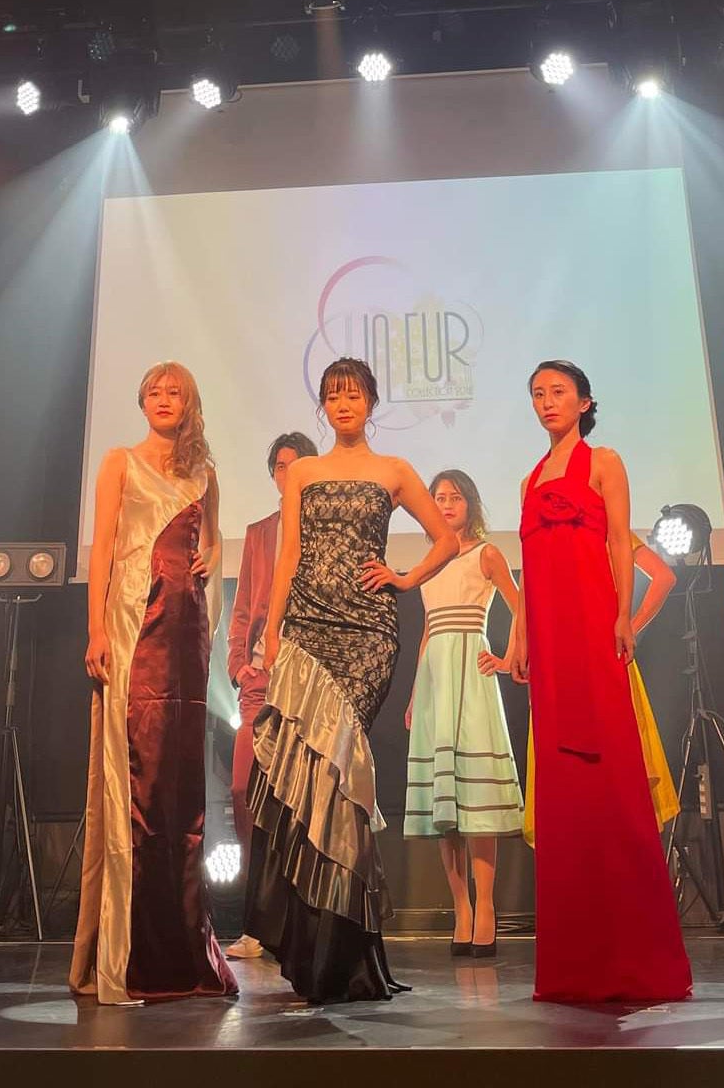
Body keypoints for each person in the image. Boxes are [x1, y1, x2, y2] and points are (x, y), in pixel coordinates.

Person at [245, 357, 458, 1003]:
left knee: (343, 773)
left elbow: (446, 539)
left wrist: (403, 578)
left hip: (368, 633)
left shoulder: (393, 470)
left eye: (354, 395)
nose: (343, 404)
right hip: (308, 628)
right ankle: (315, 944)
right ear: (323, 405)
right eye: (333, 395)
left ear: (371, 402)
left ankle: (343, 948)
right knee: (307, 775)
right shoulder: (303, 472)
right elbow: (289, 554)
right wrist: (272, 630)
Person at [507, 359, 691, 1003]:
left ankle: (636, 956)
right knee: (562, 788)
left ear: (585, 402)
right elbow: (529, 567)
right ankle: (575, 965)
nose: (547, 402)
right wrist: (520, 637)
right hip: (550, 642)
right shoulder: (529, 479)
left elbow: (619, 543)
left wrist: (622, 615)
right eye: (538, 393)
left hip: (593, 628)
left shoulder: (604, 461)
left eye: (558, 392)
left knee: (611, 776)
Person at [70, 361, 236, 1004]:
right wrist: (96, 629)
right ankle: (124, 952)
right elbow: (103, 549)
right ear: (142, 402)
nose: (164, 400)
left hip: (185, 635)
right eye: (155, 392)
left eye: (176, 393)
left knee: (178, 785)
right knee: (134, 778)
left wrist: (211, 557)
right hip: (134, 625)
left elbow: (214, 546)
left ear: (190, 404)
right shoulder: (120, 462)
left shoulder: (204, 472)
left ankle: (181, 945)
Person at [402, 469, 524, 956]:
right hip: (435, 678)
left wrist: (509, 657)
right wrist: (416, 694)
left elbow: (523, 606)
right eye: (438, 498)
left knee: (475, 801)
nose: (447, 504)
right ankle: (461, 908)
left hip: (471, 675)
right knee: (444, 804)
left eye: (455, 497)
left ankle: (487, 905)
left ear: (470, 503)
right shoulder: (429, 563)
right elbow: (427, 632)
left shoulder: (485, 554)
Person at [521, 533, 682, 846]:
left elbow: (664, 577)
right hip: (564, 661)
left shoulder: (607, 532)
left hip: (599, 658)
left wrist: (629, 626)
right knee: (582, 780)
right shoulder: (555, 536)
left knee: (612, 776)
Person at [224, 430, 318, 961]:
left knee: (301, 800)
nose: (288, 473)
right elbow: (242, 607)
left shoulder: (324, 528)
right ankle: (256, 922)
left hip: (307, 679)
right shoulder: (260, 532)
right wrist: (238, 664)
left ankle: (298, 923)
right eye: (280, 466)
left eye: (297, 464)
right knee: (244, 789)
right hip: (260, 677)